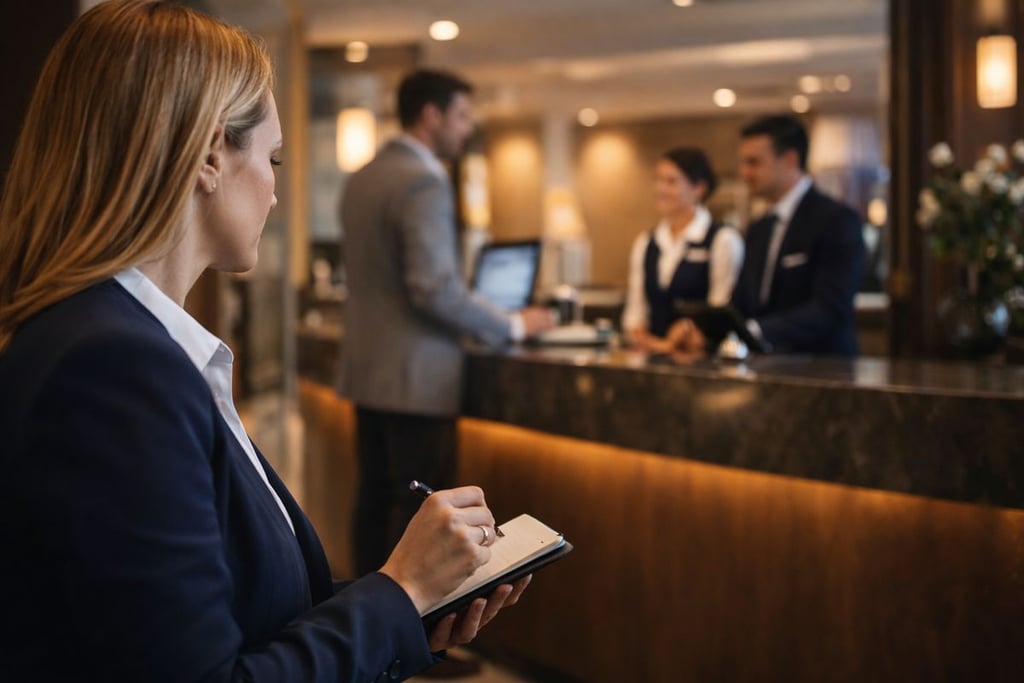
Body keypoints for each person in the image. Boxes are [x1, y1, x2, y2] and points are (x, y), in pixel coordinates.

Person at [0, 3, 529, 681]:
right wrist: (400, 590)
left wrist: (410, 607)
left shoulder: (124, 343)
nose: (278, 191)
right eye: (274, 157)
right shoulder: (113, 366)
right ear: (209, 155)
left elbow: (237, 615)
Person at [338, 70, 555, 580]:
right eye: (461, 115)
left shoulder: (363, 176)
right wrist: (514, 326)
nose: (467, 127)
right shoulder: (422, 179)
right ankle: (412, 641)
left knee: (374, 501)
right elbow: (433, 286)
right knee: (421, 518)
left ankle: (367, 639)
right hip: (417, 378)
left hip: (368, 372)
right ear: (431, 115)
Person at [669, 114, 865, 356]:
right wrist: (705, 330)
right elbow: (742, 304)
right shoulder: (759, 228)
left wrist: (753, 330)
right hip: (765, 372)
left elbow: (830, 307)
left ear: (790, 160)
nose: (744, 172)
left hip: (824, 373)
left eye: (754, 163)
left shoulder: (836, 220)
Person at [621, 147, 743, 353]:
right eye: (658, 180)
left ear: (698, 188)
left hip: (703, 360)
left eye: (671, 181)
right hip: (652, 356)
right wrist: (646, 339)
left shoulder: (723, 240)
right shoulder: (646, 242)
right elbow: (636, 311)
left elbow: (719, 310)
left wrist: (680, 338)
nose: (660, 189)